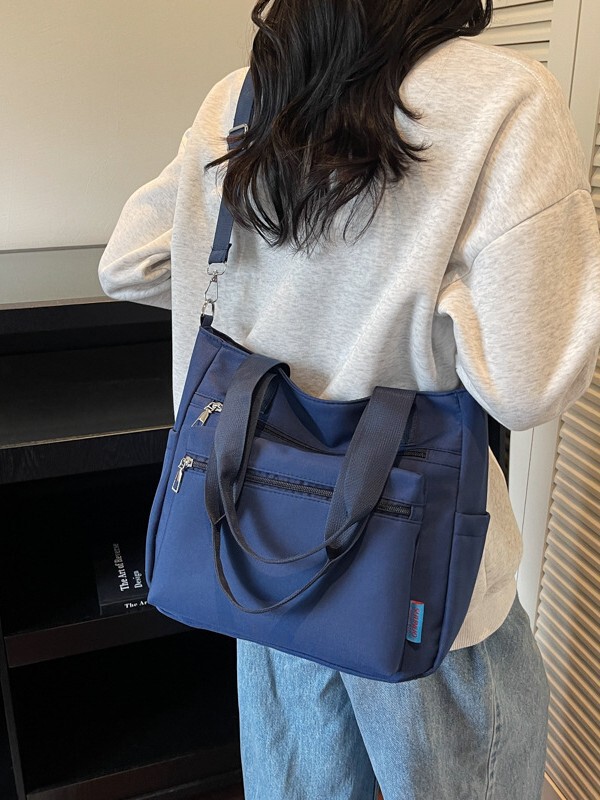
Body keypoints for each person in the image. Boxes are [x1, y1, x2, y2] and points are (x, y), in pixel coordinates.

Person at [98, 1, 600, 797]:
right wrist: (435, 299)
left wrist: (279, 288)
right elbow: (530, 384)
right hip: (425, 594)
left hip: (264, 561)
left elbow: (128, 263)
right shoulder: (507, 99)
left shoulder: (244, 98)